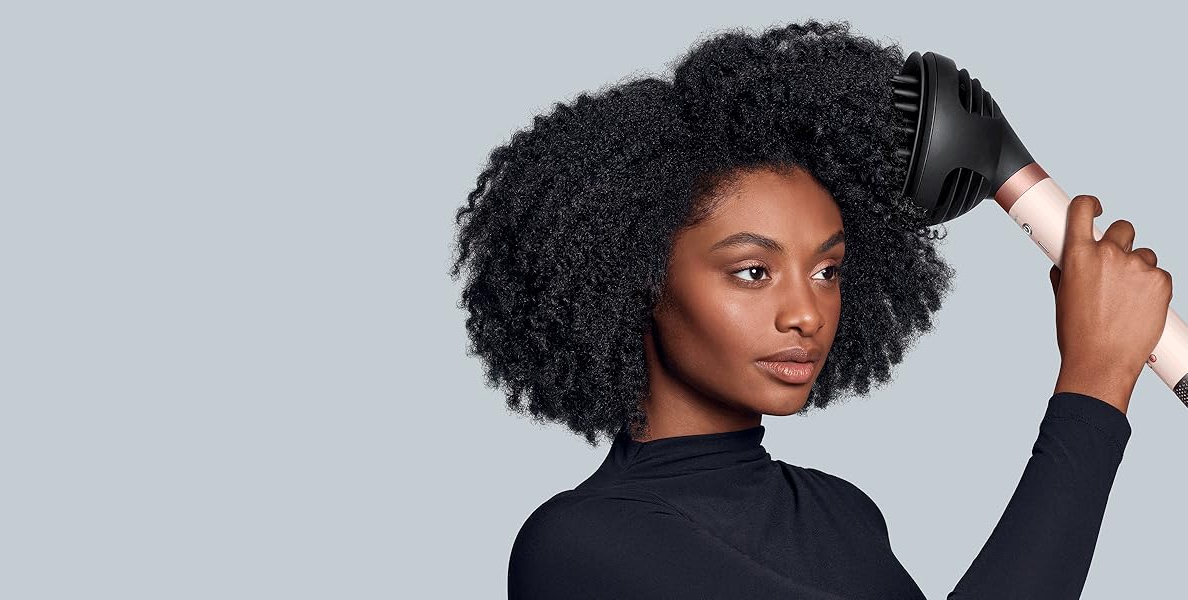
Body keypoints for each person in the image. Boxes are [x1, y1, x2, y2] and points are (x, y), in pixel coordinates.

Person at [448, 19, 1172, 599]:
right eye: (753, 271)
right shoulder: (577, 546)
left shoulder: (843, 512)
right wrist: (1094, 380)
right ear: (635, 279)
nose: (806, 313)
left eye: (827, 270)